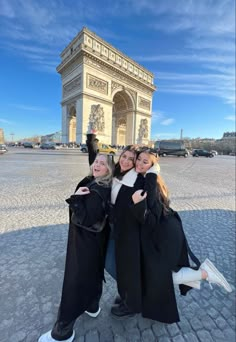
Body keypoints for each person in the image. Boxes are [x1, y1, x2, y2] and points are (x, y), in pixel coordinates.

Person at [111, 147, 232, 323]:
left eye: (145, 162)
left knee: (158, 275)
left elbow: (150, 219)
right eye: (139, 160)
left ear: (153, 166)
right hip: (159, 233)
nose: (138, 163)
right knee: (153, 273)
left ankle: (204, 274)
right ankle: (131, 300)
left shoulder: (150, 183)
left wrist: (138, 201)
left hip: (162, 237)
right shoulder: (147, 179)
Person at [38, 153, 114, 342]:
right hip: (95, 244)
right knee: (93, 275)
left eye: (102, 163)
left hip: (84, 245)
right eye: (96, 161)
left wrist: (76, 198)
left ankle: (63, 332)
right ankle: (92, 306)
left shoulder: (98, 190)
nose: (96, 165)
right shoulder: (101, 183)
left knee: (74, 283)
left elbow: (84, 219)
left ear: (109, 170)